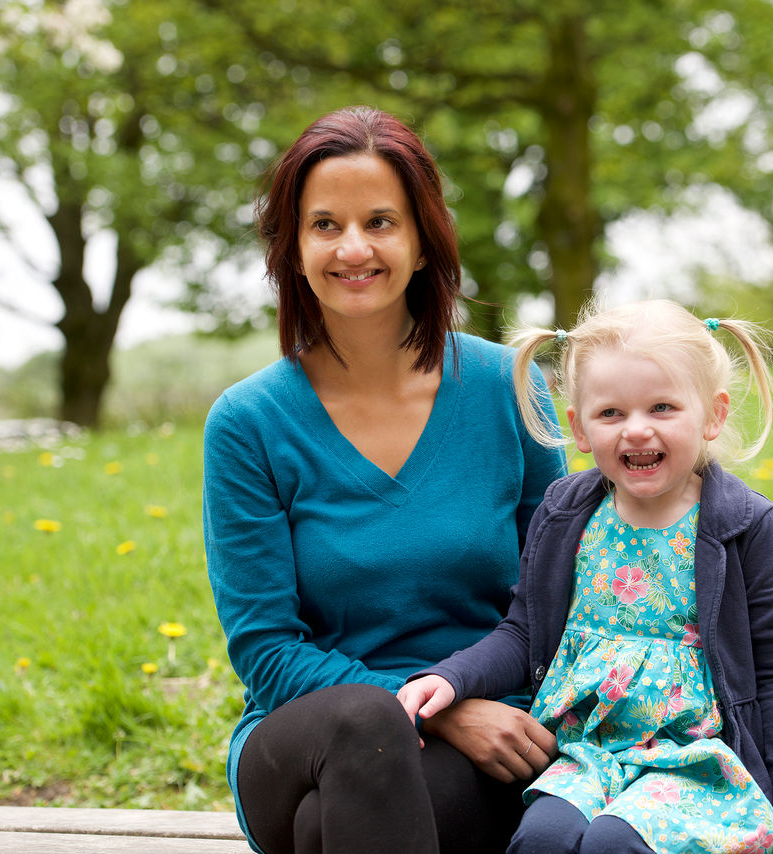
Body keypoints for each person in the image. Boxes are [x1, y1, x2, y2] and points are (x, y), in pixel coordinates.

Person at [202, 105, 567, 854]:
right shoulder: (247, 423)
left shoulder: (509, 388)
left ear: (423, 241)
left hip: (494, 730)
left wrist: (469, 693)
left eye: (380, 221)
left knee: (327, 829)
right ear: (293, 248)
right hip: (305, 732)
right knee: (365, 728)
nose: (353, 248)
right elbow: (266, 646)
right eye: (325, 224)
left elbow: (559, 595)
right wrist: (433, 707)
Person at [398, 300, 773, 854]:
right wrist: (451, 680)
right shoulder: (566, 513)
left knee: (612, 846)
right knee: (542, 840)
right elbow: (523, 633)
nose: (636, 431)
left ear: (713, 414)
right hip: (586, 758)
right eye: (611, 414)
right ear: (579, 429)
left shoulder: (744, 528)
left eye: (662, 407)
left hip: (696, 765)